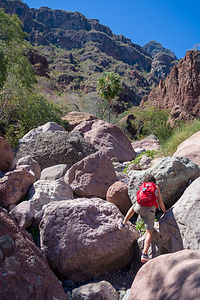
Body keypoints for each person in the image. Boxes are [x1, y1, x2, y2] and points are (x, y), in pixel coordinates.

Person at [123, 180, 167, 263]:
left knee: (133, 207)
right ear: (154, 182)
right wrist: (165, 212)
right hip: (149, 211)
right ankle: (145, 254)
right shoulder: (156, 188)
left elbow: (138, 197)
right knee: (149, 232)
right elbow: (160, 202)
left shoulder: (143, 185)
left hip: (139, 207)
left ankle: (124, 222)